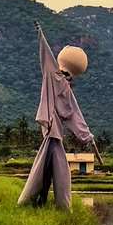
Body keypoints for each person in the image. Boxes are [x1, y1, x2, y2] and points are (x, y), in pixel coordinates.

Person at [18, 21, 101, 208]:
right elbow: (46, 55)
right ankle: (39, 202)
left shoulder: (63, 86)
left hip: (53, 132)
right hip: (51, 131)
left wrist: (87, 137)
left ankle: (39, 202)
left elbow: (75, 115)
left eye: (67, 76)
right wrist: (41, 35)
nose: (64, 78)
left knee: (51, 168)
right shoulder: (53, 76)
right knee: (55, 167)